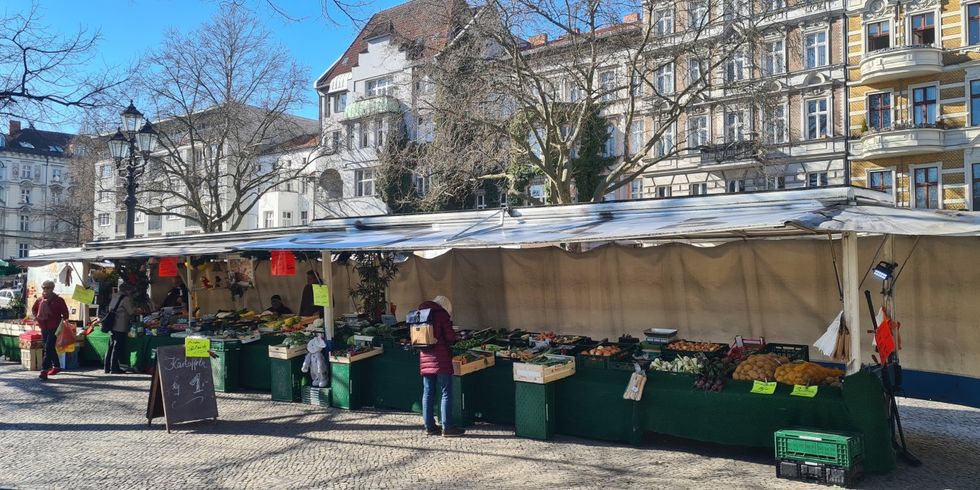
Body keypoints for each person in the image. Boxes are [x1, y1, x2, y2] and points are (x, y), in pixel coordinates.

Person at [418, 295, 464, 437]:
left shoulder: (421, 313)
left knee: (428, 392)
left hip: (425, 357)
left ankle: (429, 426)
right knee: (445, 392)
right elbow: (450, 338)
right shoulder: (441, 315)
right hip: (441, 359)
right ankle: (448, 427)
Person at [31, 280, 69, 381]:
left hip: (54, 327)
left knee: (48, 347)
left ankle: (44, 370)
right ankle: (56, 366)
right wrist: (37, 317)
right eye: (44, 288)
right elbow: (34, 309)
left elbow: (65, 313)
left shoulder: (59, 300)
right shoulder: (39, 300)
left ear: (52, 288)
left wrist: (65, 320)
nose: (46, 290)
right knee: (49, 347)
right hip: (43, 326)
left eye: (48, 288)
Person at [105, 284, 137, 374]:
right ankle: (114, 368)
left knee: (111, 346)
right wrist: (137, 310)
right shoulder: (125, 299)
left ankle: (107, 367)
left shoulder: (114, 296)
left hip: (112, 324)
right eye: (130, 291)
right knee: (117, 347)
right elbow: (131, 311)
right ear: (127, 291)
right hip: (120, 325)